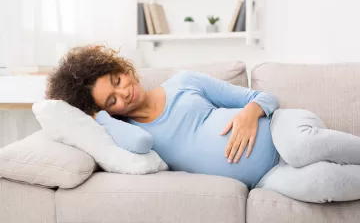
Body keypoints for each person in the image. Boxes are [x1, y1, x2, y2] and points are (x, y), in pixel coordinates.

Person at [46, 45, 360, 203]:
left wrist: (250, 115)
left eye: (117, 79)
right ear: (105, 112)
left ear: (123, 68)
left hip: (280, 128)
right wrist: (96, 115)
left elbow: (263, 96)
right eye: (111, 100)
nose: (124, 92)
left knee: (302, 147)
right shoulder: (131, 133)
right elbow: (141, 146)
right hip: (268, 176)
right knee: (319, 184)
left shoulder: (184, 82)